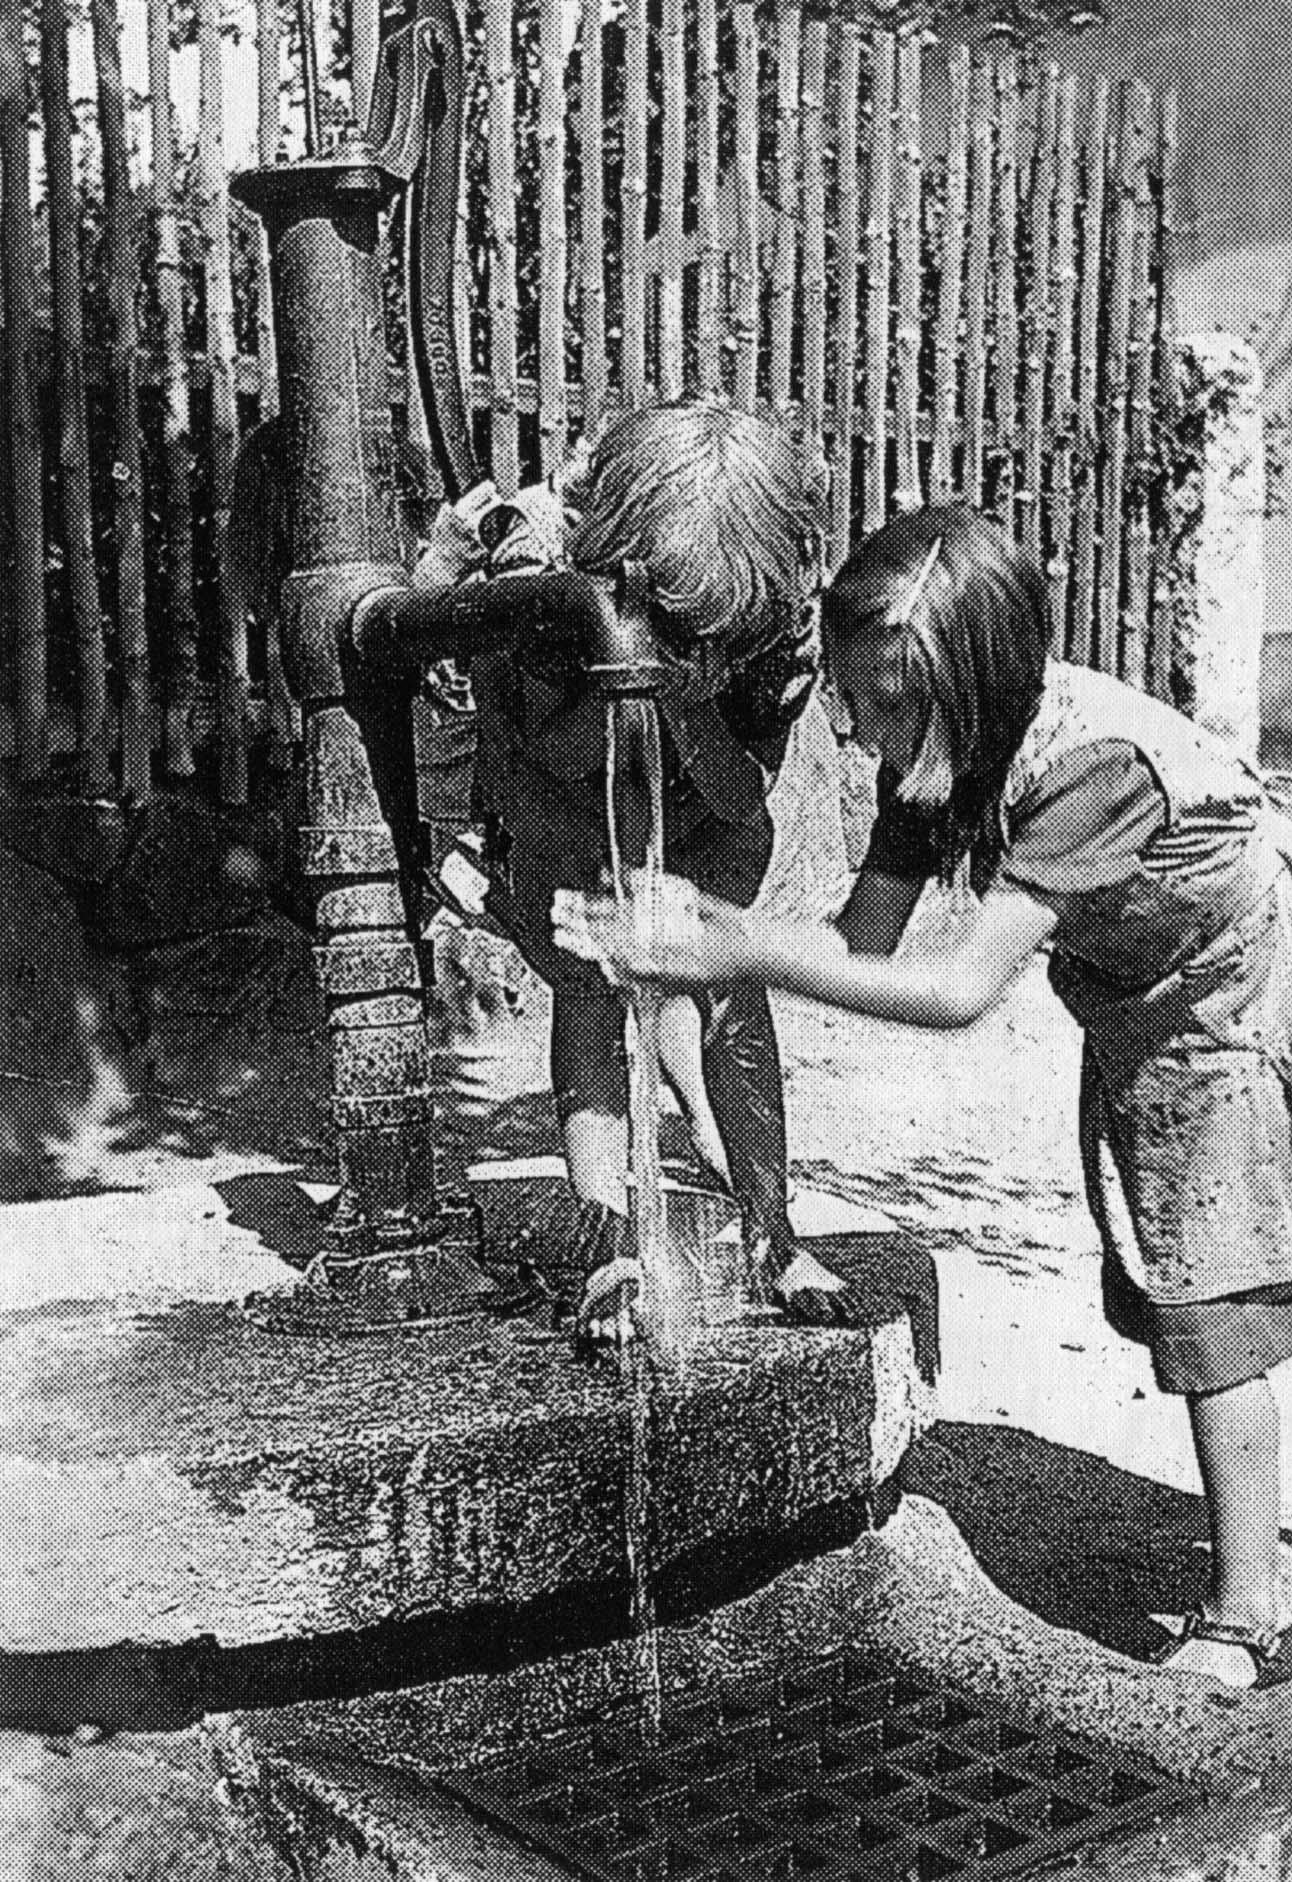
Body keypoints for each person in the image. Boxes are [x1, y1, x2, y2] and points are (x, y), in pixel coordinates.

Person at [553, 500, 1292, 1690]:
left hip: (1232, 998)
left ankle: (1243, 1616)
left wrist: (738, 945)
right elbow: (863, 940)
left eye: (881, 706)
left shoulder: (1089, 771)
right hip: (1140, 997)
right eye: (851, 701)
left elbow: (953, 989)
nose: (855, 733)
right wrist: (713, 934)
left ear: (974, 685)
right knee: (1176, 1278)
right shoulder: (939, 752)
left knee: (1214, 1305)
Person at [419, 400, 852, 1342]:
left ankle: (774, 1233)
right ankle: (609, 1248)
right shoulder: (538, 588)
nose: (696, 648)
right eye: (672, 622)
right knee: (590, 996)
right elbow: (549, 759)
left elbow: (743, 799)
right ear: (613, 558)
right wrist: (633, 686)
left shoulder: (779, 625)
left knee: (731, 991)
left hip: (703, 822)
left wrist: (688, 705)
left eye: (715, 636)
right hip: (552, 811)